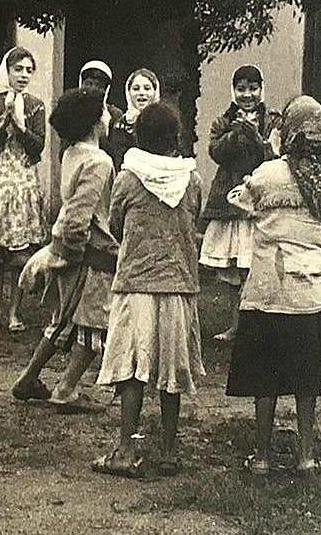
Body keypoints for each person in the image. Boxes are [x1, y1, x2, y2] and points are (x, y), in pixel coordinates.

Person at [226, 96, 321, 475]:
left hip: (270, 286)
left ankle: (262, 457)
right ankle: (306, 455)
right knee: (307, 379)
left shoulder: (267, 174)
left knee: (266, 378)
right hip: (314, 290)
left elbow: (241, 201)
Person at [94, 102, 203, 479]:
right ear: (175, 138)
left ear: (138, 136)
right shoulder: (192, 179)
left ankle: (125, 449)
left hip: (136, 283)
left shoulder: (128, 178)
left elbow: (115, 222)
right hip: (177, 284)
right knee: (171, 371)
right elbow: (195, 217)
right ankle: (169, 450)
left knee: (131, 368)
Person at [13, 88, 116, 410]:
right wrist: (73, 253)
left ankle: (29, 377)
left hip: (68, 248)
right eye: (105, 111)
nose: (110, 115)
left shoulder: (71, 153)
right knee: (94, 323)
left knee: (62, 320)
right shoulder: (100, 161)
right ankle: (67, 388)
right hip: (89, 253)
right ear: (95, 121)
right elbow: (80, 214)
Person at [199, 64, 279, 342]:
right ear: (233, 91)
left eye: (253, 88)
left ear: (261, 89)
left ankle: (256, 325)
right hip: (231, 203)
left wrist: (256, 137)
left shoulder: (273, 121)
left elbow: (275, 157)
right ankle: (236, 324)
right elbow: (216, 152)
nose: (247, 95)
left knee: (255, 266)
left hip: (258, 199)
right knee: (235, 269)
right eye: (241, 89)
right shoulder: (223, 121)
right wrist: (237, 133)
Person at [0, 46, 46, 332]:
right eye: (18, 69)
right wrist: (4, 125)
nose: (24, 75)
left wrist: (21, 126)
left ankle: (15, 312)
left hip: (23, 179)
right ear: (7, 71)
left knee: (20, 252)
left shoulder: (36, 105)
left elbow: (39, 145)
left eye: (29, 70)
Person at [108, 68, 160, 169]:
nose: (141, 92)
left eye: (147, 88)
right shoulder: (120, 125)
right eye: (136, 88)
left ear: (155, 92)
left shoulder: (163, 121)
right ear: (128, 93)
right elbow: (118, 160)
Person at [75, 59, 125, 161]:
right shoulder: (72, 111)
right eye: (89, 83)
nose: (93, 88)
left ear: (106, 89)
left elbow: (117, 154)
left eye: (99, 85)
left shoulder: (114, 114)